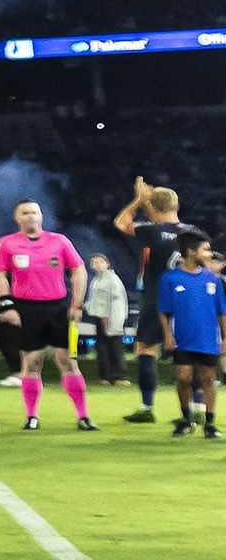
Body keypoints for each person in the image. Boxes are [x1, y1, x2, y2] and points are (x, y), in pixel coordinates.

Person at [0, 199, 95, 431]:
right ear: (17, 218)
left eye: (34, 212)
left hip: (59, 307)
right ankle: (31, 416)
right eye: (25, 213)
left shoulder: (59, 241)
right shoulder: (7, 244)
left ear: (41, 216)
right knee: (31, 363)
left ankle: (83, 416)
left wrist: (77, 304)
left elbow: (78, 270)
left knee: (69, 361)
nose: (30, 216)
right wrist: (7, 305)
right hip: (27, 309)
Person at [116, 176, 195, 423]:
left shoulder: (150, 231)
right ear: (177, 205)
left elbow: (121, 223)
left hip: (157, 300)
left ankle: (147, 407)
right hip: (189, 302)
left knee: (146, 349)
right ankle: (200, 408)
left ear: (153, 208)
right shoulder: (194, 232)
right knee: (193, 353)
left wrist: (139, 200)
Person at [158, 230, 226, 438]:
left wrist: (225, 338)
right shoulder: (170, 278)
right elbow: (164, 312)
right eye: (205, 249)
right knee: (184, 378)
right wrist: (168, 335)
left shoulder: (212, 280)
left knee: (208, 378)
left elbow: (222, 312)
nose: (209, 254)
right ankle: (186, 419)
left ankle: (210, 423)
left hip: (208, 339)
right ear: (190, 252)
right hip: (183, 340)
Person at [85, 253, 129, 386]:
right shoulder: (96, 280)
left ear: (107, 264)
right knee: (102, 347)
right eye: (95, 262)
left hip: (112, 317)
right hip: (99, 317)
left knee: (115, 347)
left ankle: (119, 376)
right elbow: (93, 300)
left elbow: (118, 300)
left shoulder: (113, 279)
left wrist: (114, 318)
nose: (97, 265)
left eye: (100, 262)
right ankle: (105, 376)